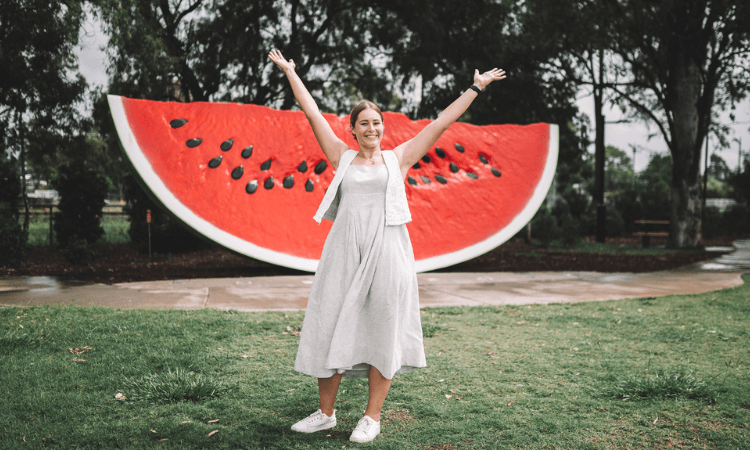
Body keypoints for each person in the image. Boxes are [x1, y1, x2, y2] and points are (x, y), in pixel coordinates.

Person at [268, 48, 506, 443]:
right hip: (343, 251)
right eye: (364, 124)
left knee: (382, 331)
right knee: (329, 325)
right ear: (353, 130)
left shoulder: (399, 159)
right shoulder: (341, 157)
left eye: (377, 123)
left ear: (383, 127)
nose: (371, 129)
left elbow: (441, 124)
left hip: (388, 252)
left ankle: (371, 418)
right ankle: (325, 413)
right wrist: (292, 73)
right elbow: (311, 112)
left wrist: (475, 88)